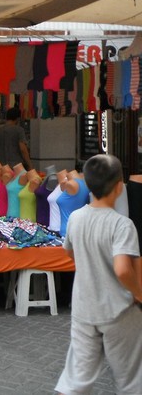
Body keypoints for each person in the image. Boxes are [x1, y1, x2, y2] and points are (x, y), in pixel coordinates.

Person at [54, 154, 142, 394]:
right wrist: (139, 294)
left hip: (84, 309)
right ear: (119, 186)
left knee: (76, 380)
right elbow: (123, 269)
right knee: (132, 380)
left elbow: (71, 254)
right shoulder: (122, 224)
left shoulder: (76, 218)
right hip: (118, 311)